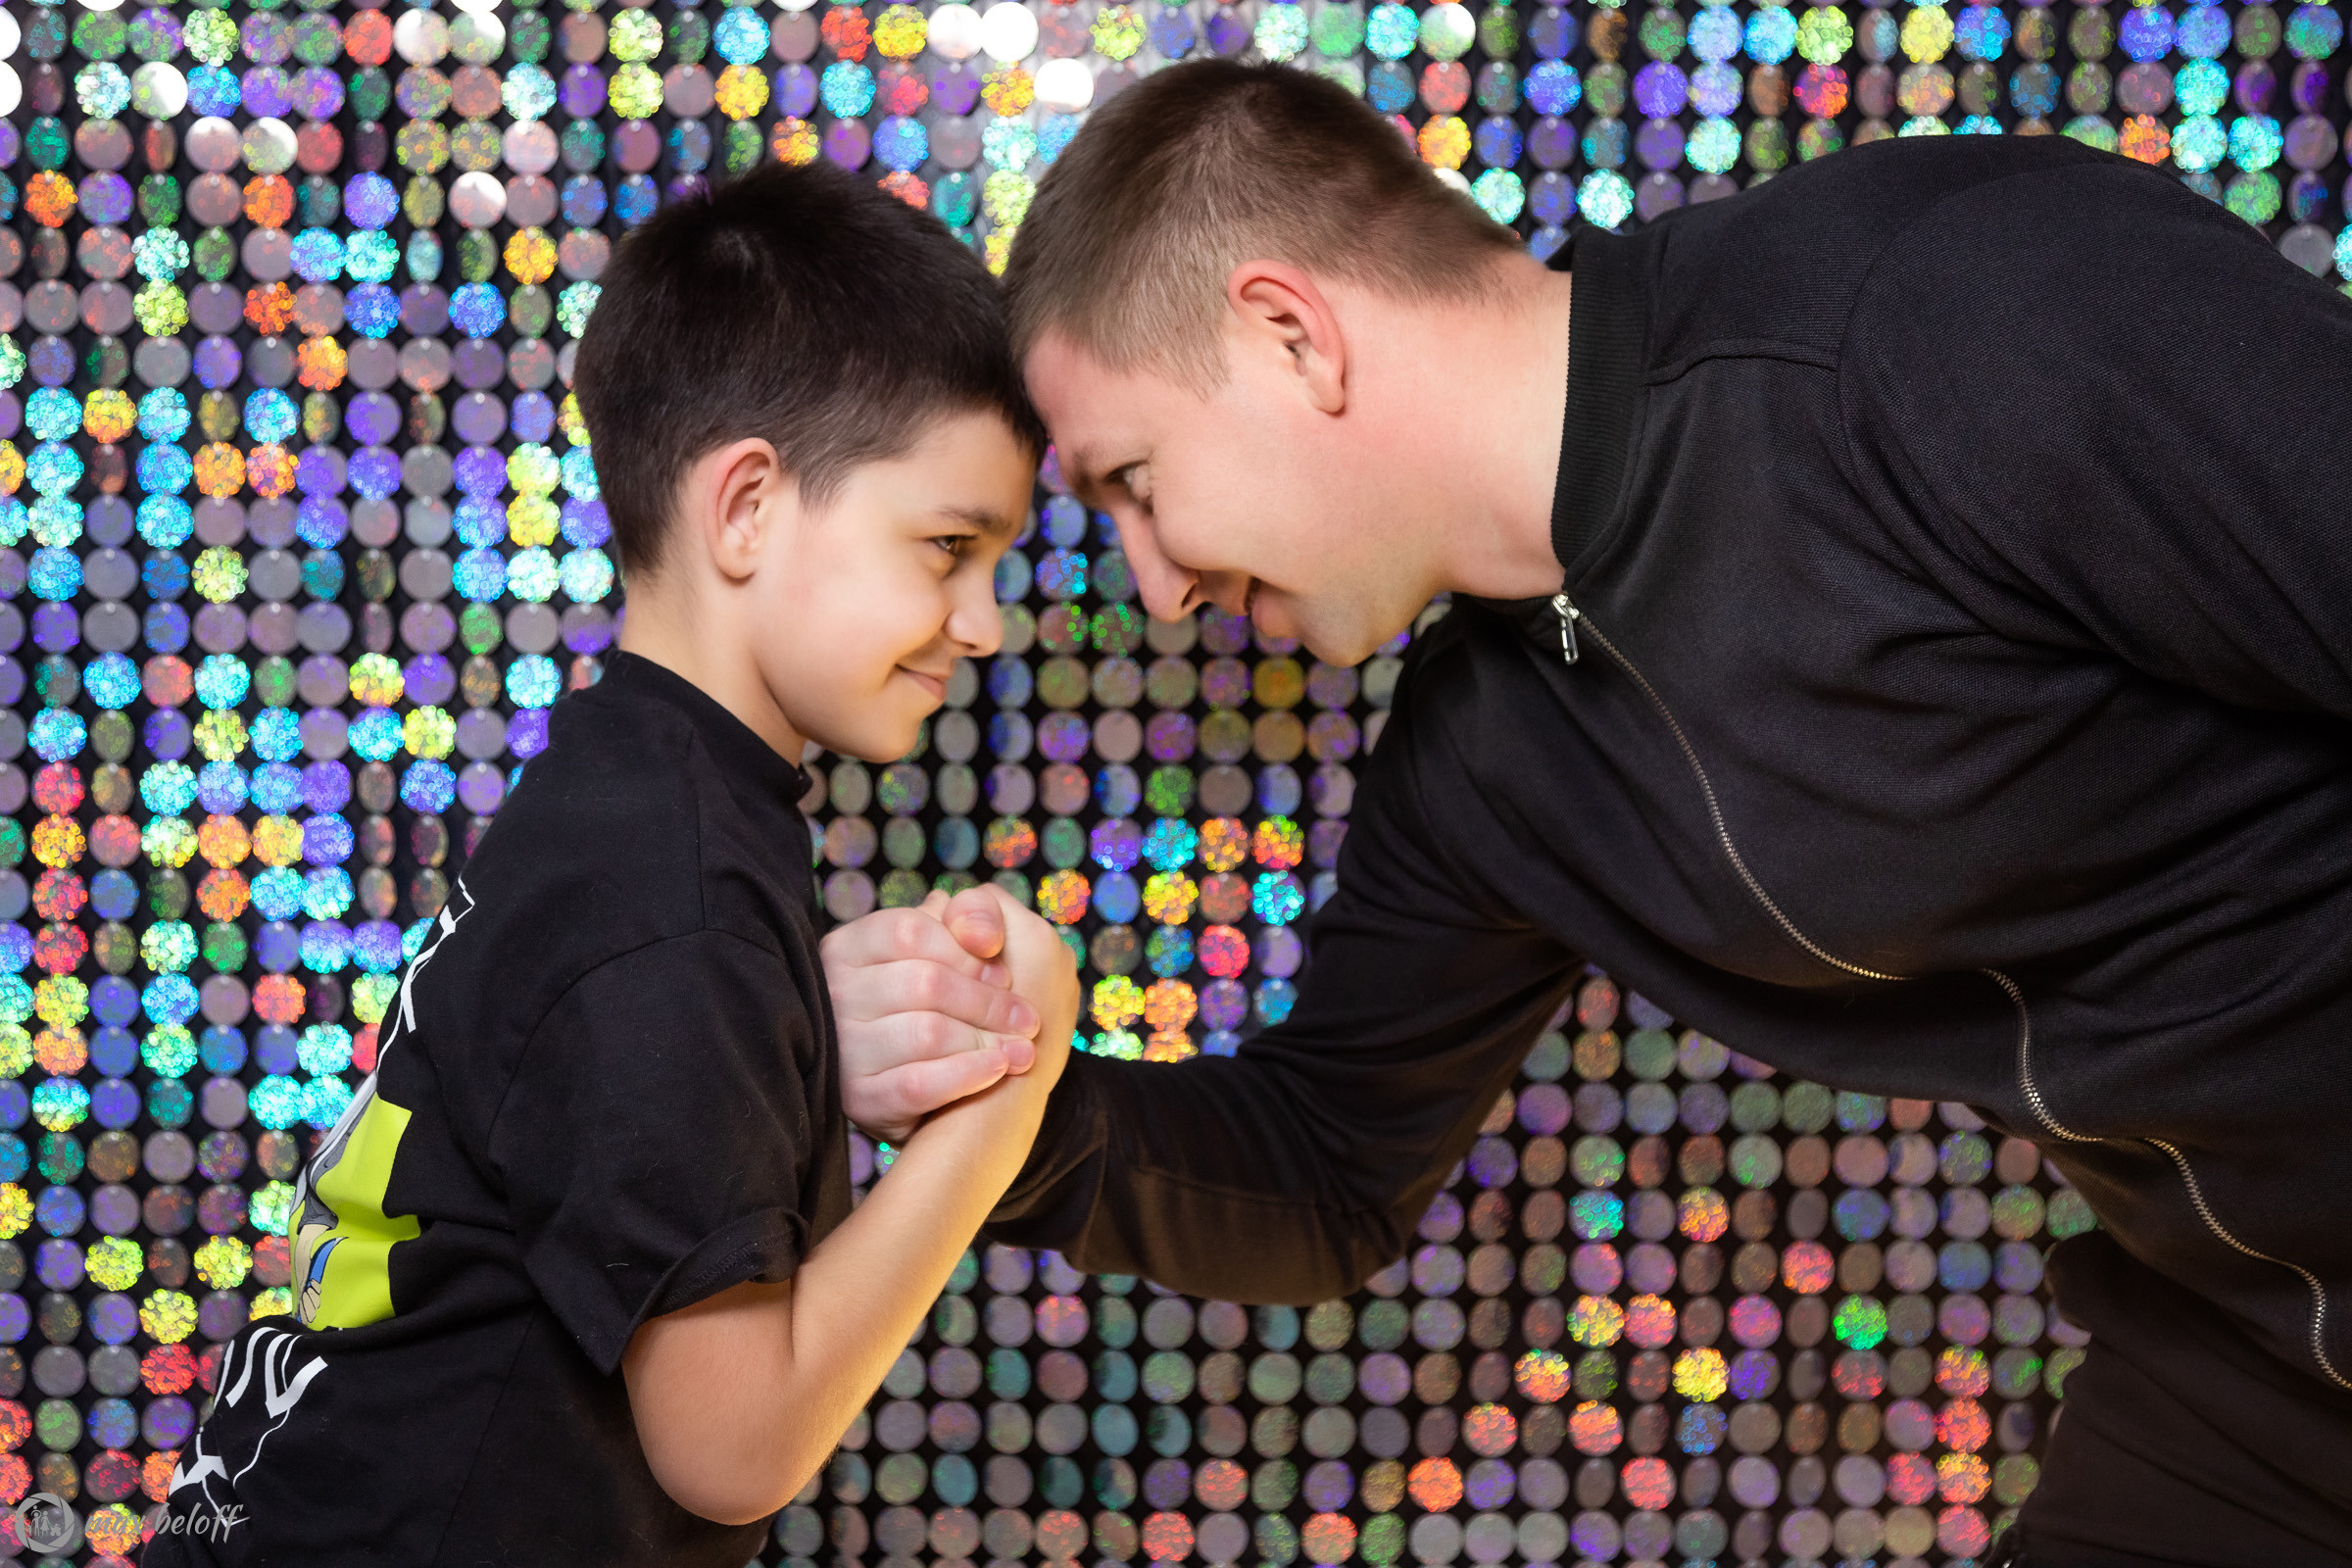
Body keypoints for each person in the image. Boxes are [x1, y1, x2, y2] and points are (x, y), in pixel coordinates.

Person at [821, 60, 2352, 1565]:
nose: (1155, 586)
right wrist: (1002, 1096)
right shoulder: (1496, 744)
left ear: (1290, 334)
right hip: (2248, 1376)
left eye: (1136, 483)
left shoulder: (1930, 304)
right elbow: (1323, 1167)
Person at [141, 161, 1080, 1566]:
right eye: (948, 548)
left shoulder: (624, 801)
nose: (985, 621)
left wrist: (802, 1048)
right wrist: (1004, 1102)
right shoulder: (675, 897)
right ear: (747, 507)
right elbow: (733, 1447)